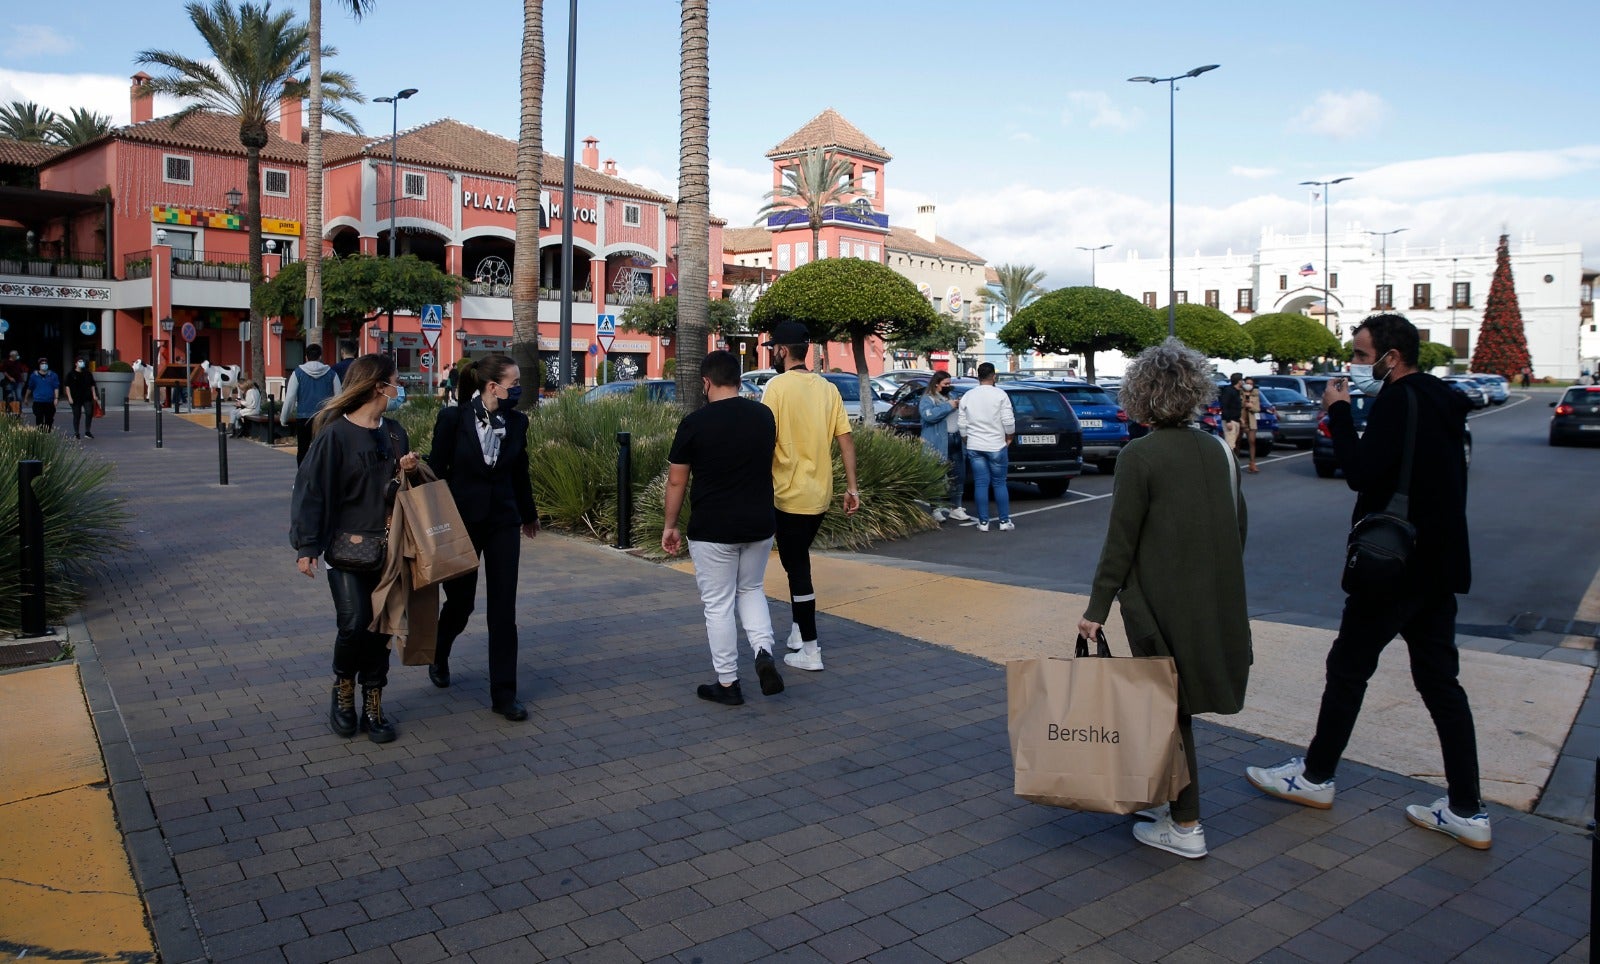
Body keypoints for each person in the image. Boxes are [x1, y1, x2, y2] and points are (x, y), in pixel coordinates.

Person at [1245, 313, 1489, 850]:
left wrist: (1337, 410)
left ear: (1391, 357)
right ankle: (1468, 808)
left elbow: (1359, 471)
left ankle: (1314, 777)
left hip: (1392, 566)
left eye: (1360, 355)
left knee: (1348, 669)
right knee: (1440, 683)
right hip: (1438, 567)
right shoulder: (1445, 403)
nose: (1355, 366)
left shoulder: (1397, 402)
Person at [1077, 339, 1251, 860]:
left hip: (1156, 604)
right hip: (1214, 601)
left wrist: (1096, 609)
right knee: (1175, 704)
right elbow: (1237, 526)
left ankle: (1185, 823)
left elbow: (1121, 541)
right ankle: (1169, 802)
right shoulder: (1218, 448)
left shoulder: (1140, 455)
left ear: (1142, 395)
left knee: (1169, 707)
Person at [289, 354, 422, 744]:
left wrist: (408, 471)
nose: (401, 389)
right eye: (396, 382)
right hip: (344, 549)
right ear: (378, 386)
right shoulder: (334, 434)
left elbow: (399, 494)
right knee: (354, 622)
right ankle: (343, 690)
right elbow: (310, 491)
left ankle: (374, 702)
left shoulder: (396, 433)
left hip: (388, 548)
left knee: (381, 627)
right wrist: (307, 545)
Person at [661, 350, 783, 706]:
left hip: (713, 527)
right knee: (752, 590)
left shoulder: (694, 423)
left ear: (706, 382)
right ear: (739, 380)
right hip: (760, 522)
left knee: (718, 604)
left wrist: (670, 525)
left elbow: (676, 482)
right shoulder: (764, 417)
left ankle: (728, 684)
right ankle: (763, 651)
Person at [426, 352, 539, 721]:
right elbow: (437, 471)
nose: (518, 388)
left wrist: (528, 514)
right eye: (514, 383)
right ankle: (439, 652)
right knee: (461, 604)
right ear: (493, 387)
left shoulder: (517, 423)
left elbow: (520, 471)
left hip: (503, 520)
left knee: (503, 610)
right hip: (463, 523)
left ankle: (504, 695)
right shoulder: (453, 419)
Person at [761, 320, 860, 673]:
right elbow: (845, 439)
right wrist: (852, 488)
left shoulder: (775, 388)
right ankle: (798, 631)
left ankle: (811, 650)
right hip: (819, 494)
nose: (773, 353)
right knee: (796, 561)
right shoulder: (827, 389)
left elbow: (764, 440)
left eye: (775, 348)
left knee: (797, 568)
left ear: (784, 351)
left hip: (787, 495)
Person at [958, 362, 1015, 532]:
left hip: (975, 444)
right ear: (993, 376)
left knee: (981, 484)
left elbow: (962, 423)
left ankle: (983, 522)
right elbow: (1008, 421)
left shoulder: (968, 395)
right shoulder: (1000, 394)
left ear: (978, 376)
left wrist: (966, 440)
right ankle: (1004, 521)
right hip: (996, 444)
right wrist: (1009, 436)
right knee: (999, 483)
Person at [918, 370, 971, 523]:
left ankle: (956, 507)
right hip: (937, 441)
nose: (949, 386)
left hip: (955, 440)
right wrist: (948, 406)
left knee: (958, 476)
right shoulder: (928, 399)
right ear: (936, 384)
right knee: (937, 476)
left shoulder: (952, 397)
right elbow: (929, 416)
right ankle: (935, 508)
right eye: (946, 384)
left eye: (950, 383)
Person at [281, 344, 341, 466]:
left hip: (304, 417)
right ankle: (323, 477)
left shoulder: (297, 373)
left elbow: (290, 397)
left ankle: (302, 479)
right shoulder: (332, 374)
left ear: (306, 357)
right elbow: (339, 397)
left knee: (303, 449)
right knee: (324, 450)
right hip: (325, 417)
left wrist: (284, 417)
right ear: (320, 356)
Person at [64, 358, 98, 439]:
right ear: (76, 363)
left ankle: (87, 431)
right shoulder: (71, 374)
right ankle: (76, 432)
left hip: (87, 397)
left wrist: (94, 395)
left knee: (89, 413)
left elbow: (92, 385)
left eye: (82, 362)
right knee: (77, 415)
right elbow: (67, 387)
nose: (81, 363)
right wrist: (69, 397)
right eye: (79, 361)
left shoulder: (88, 373)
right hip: (75, 398)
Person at [25, 358, 60, 432]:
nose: (44, 365)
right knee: (39, 418)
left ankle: (47, 432)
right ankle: (40, 433)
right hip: (38, 401)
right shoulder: (34, 376)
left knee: (49, 419)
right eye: (42, 364)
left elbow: (56, 387)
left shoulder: (53, 375)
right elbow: (30, 388)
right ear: (39, 365)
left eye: (45, 363)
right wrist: (26, 398)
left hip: (49, 401)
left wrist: (56, 398)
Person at [1238, 376, 1261, 474]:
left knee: (1252, 442)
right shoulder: (1239, 393)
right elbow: (1236, 405)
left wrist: (1251, 406)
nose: (1248, 385)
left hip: (1251, 421)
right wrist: (1244, 403)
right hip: (1241, 420)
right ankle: (1235, 463)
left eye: (1250, 383)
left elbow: (1257, 409)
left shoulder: (1255, 395)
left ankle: (1252, 463)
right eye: (1247, 383)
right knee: (1237, 443)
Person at [1219, 373, 1244, 456]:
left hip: (1236, 419)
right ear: (1238, 381)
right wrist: (1228, 421)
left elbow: (1236, 406)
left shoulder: (1237, 392)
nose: (1243, 382)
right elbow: (1225, 406)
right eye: (1241, 380)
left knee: (1233, 442)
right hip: (1230, 421)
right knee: (1230, 444)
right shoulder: (1229, 391)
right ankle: (1230, 462)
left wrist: (1240, 418)